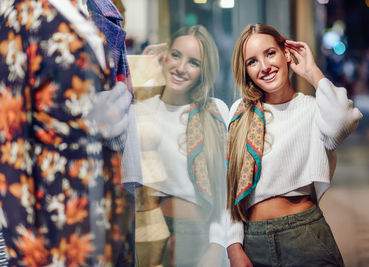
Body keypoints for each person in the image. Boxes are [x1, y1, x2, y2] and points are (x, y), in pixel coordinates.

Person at [0, 0, 134, 265]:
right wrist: (29, 253)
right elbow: (10, 143)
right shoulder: (22, 18)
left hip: (100, 210)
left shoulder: (88, 12)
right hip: (56, 216)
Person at [225, 24, 363, 266]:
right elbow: (229, 188)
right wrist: (233, 246)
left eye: (270, 53)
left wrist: (312, 72)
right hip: (253, 240)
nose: (265, 67)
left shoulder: (313, 109)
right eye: (252, 62)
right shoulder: (241, 113)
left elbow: (344, 120)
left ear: (286, 53)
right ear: (246, 71)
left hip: (305, 236)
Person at [124, 25, 229, 266]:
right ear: (165, 55)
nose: (181, 68)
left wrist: (217, 246)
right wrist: (148, 61)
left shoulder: (214, 112)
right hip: (143, 231)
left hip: (195, 235)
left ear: (204, 71)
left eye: (194, 63)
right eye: (176, 55)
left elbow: (224, 192)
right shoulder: (141, 108)